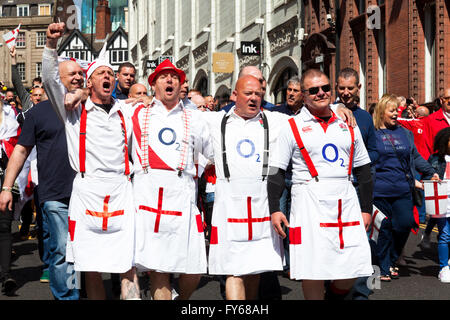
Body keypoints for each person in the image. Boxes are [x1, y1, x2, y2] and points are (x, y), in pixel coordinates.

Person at [42, 22, 140, 300]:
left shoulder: (125, 110)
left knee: (127, 260)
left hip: (122, 190)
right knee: (91, 265)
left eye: (111, 73)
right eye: (102, 73)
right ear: (90, 81)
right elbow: (50, 79)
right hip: (87, 191)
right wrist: (51, 45)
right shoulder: (73, 110)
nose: (108, 76)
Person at [268, 68, 374, 300]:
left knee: (354, 265)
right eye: (313, 90)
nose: (321, 93)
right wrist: (275, 208)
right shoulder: (291, 126)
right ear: (304, 95)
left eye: (325, 88)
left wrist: (366, 209)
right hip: (308, 201)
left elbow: (364, 170)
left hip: (345, 200)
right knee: (312, 269)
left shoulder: (348, 122)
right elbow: (276, 171)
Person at [132, 59, 213, 300]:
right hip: (148, 198)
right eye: (164, 77)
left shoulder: (195, 118)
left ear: (181, 85)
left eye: (175, 77)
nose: (170, 80)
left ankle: (180, 298)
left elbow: (215, 154)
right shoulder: (136, 113)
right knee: (159, 269)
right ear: (153, 84)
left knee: (195, 267)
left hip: (182, 197)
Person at [205, 75, 285, 300]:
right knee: (233, 271)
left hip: (261, 204)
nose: (254, 98)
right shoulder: (214, 121)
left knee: (254, 269)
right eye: (248, 93)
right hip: (228, 205)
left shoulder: (275, 121)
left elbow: (306, 117)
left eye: (258, 94)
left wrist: (337, 108)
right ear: (234, 95)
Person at [372, 94, 438, 281]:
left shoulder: (404, 133)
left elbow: (415, 156)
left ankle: (391, 259)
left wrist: (429, 172)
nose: (395, 114)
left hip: (403, 187)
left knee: (405, 223)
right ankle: (383, 268)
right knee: (383, 229)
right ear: (381, 112)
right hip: (380, 189)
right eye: (391, 110)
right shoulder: (372, 134)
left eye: (397, 110)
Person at [334, 67, 379, 299]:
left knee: (366, 239)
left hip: (361, 185)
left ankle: (365, 290)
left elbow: (373, 149)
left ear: (358, 88)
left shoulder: (365, 117)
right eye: (341, 88)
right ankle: (335, 287)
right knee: (338, 240)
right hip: (336, 188)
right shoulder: (330, 112)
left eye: (350, 88)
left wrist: (362, 166)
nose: (345, 92)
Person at [0, 100, 20, 296]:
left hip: (4, 182)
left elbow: (19, 154)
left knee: (4, 227)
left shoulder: (11, 125)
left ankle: (7, 275)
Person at [427, 127, 450, 283]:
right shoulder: (435, 159)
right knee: (445, 235)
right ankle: (443, 268)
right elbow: (427, 176)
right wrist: (432, 177)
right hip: (443, 202)